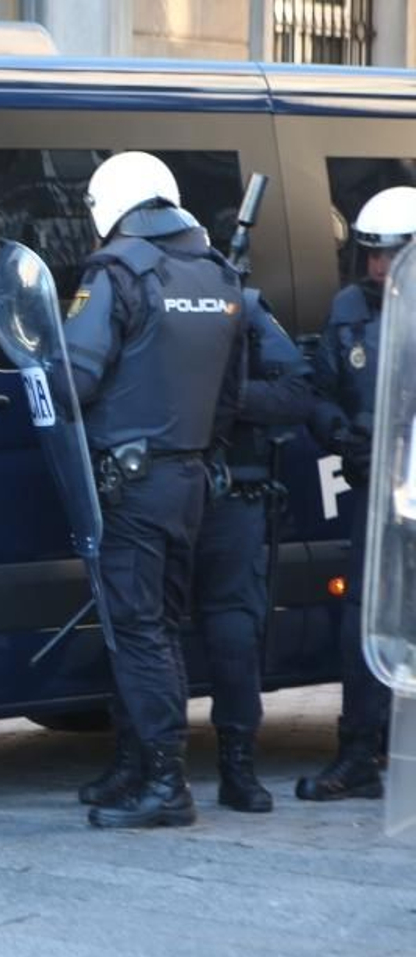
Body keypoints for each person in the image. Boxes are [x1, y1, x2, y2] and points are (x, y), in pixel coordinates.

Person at [61, 151, 243, 830]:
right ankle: (141, 764)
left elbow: (75, 378)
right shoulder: (219, 274)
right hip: (188, 476)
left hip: (130, 484)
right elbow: (230, 394)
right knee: (160, 628)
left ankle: (165, 782)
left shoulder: (117, 272)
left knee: (136, 632)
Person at [297, 185, 416, 801]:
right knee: (362, 625)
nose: (377, 266)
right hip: (374, 497)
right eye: (369, 253)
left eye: (390, 254)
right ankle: (358, 754)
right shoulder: (348, 307)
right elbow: (318, 388)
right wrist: (335, 430)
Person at [184, 290, 315, 814]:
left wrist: (223, 396)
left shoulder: (242, 304)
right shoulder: (133, 291)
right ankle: (146, 764)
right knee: (145, 630)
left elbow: (296, 394)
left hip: (232, 493)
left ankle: (237, 766)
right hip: (159, 489)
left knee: (234, 629)